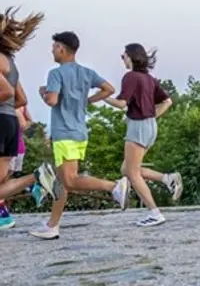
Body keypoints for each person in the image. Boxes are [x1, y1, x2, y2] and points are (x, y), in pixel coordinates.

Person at [28, 31, 131, 240]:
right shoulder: (86, 72)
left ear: (62, 49)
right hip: (79, 132)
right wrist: (89, 101)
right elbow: (108, 89)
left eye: (54, 47)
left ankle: (114, 187)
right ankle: (52, 225)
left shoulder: (56, 74)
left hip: (64, 133)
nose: (52, 51)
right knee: (60, 180)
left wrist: (44, 93)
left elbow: (52, 101)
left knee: (70, 180)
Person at [103, 43, 182, 227]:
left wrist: (103, 97)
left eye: (123, 56)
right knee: (127, 169)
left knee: (131, 172)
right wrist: (153, 115)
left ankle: (155, 213)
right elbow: (168, 101)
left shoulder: (130, 77)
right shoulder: (149, 79)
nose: (122, 59)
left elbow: (122, 104)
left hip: (137, 127)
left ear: (131, 56)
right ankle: (167, 179)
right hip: (150, 127)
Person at [0, 8, 62, 230]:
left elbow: (7, 93)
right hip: (8, 122)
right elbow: (21, 98)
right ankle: (36, 176)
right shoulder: (9, 61)